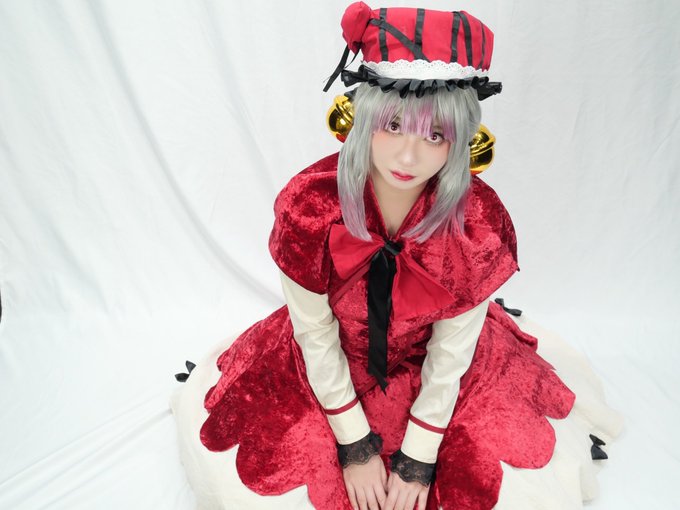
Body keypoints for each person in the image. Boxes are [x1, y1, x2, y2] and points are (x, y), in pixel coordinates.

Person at [171, 3, 622, 509]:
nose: (409, 156)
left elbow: (452, 353)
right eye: (392, 126)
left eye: (435, 135)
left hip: (442, 369)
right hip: (327, 361)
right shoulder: (310, 206)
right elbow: (314, 333)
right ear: (362, 119)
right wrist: (355, 444)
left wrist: (418, 456)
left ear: (461, 140)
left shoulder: (477, 223)